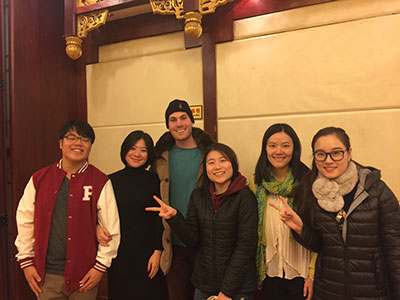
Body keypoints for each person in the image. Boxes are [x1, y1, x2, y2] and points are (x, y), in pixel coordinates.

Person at [271, 126, 400, 300]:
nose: (328, 160)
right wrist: (301, 229)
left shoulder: (375, 191)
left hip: (372, 291)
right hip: (328, 290)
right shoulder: (311, 191)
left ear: (349, 153)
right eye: (321, 154)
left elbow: (395, 249)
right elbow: (319, 245)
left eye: (336, 153)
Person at [14, 120, 120, 300]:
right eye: (72, 137)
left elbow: (111, 229)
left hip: (85, 277)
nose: (78, 143)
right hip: (47, 276)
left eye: (85, 139)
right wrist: (26, 262)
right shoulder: (40, 178)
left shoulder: (100, 181)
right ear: (61, 143)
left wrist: (100, 267)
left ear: (90, 146)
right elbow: (25, 220)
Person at [146, 143, 258, 300]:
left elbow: (245, 247)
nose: (217, 167)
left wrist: (226, 292)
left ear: (233, 163)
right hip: (204, 285)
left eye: (223, 160)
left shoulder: (245, 197)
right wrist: (175, 218)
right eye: (211, 162)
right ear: (205, 168)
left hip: (237, 288)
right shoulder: (198, 196)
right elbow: (192, 240)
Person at [152, 99, 214, 300]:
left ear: (192, 120)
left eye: (183, 118)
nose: (179, 124)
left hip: (205, 244)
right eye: (173, 120)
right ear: (168, 125)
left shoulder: (211, 154)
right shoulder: (160, 157)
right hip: (174, 245)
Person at [97, 130, 168, 299]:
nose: (137, 154)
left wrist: (158, 252)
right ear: (125, 151)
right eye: (133, 148)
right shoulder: (109, 181)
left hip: (148, 255)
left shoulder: (154, 180)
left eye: (143, 150)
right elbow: (97, 213)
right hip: (119, 255)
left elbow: (159, 219)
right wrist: (97, 227)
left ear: (149, 154)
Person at [250, 123, 314, 300]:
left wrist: (312, 274)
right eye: (272, 146)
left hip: (301, 271)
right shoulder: (258, 182)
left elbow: (319, 231)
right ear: (265, 149)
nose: (279, 151)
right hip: (270, 270)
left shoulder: (308, 182)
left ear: (294, 148)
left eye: (285, 145)